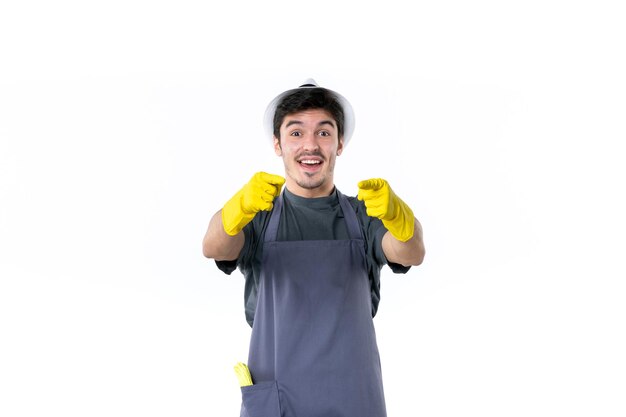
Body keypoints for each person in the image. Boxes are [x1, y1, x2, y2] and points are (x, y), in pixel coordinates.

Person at [202, 79, 425, 417]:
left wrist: (400, 219)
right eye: (295, 133)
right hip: (279, 396)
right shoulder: (257, 214)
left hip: (353, 396)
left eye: (323, 132)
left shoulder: (363, 214)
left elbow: (410, 253)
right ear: (277, 144)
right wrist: (236, 210)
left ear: (340, 144)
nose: (310, 145)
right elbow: (214, 247)